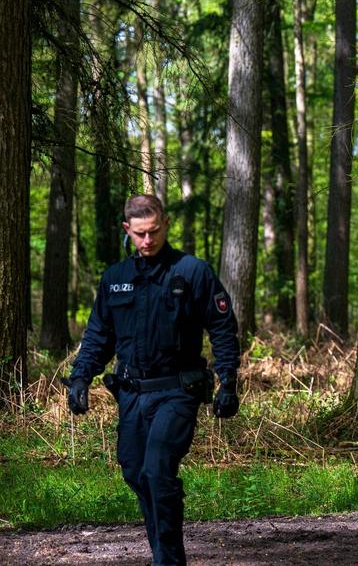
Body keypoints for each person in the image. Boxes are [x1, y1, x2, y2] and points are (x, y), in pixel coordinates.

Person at [65, 194, 240, 566]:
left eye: (155, 231)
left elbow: (222, 327)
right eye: (141, 234)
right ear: (128, 230)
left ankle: (168, 560)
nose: (148, 241)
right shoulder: (116, 279)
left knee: (158, 468)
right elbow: (98, 334)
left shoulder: (192, 272)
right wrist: (80, 378)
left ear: (165, 224)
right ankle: (164, 552)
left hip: (178, 390)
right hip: (131, 395)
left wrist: (229, 381)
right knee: (135, 471)